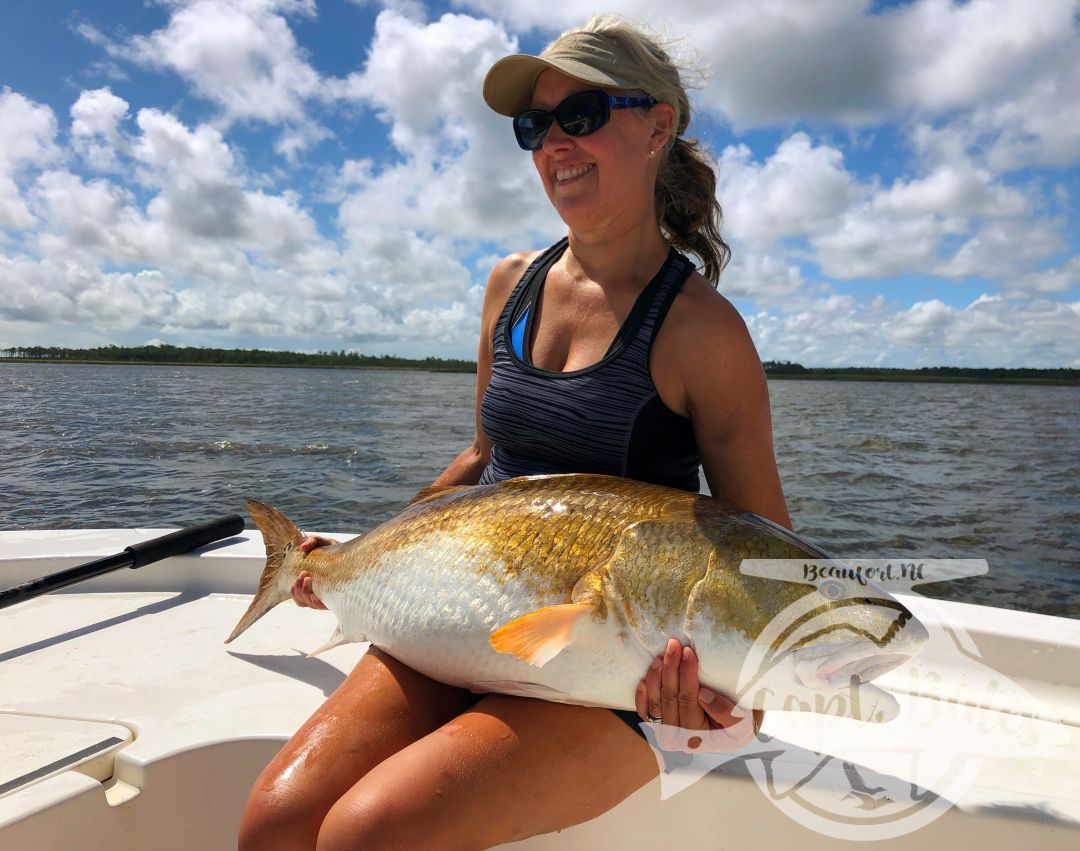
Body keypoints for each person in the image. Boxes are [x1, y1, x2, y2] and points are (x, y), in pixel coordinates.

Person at [238, 14, 790, 850]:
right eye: (535, 126)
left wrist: (724, 700)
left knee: (366, 834)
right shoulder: (510, 283)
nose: (554, 144)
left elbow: (766, 552)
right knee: (275, 822)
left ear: (658, 126)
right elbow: (483, 459)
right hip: (465, 618)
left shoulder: (703, 333)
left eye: (582, 116)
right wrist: (355, 556)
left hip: (614, 671)